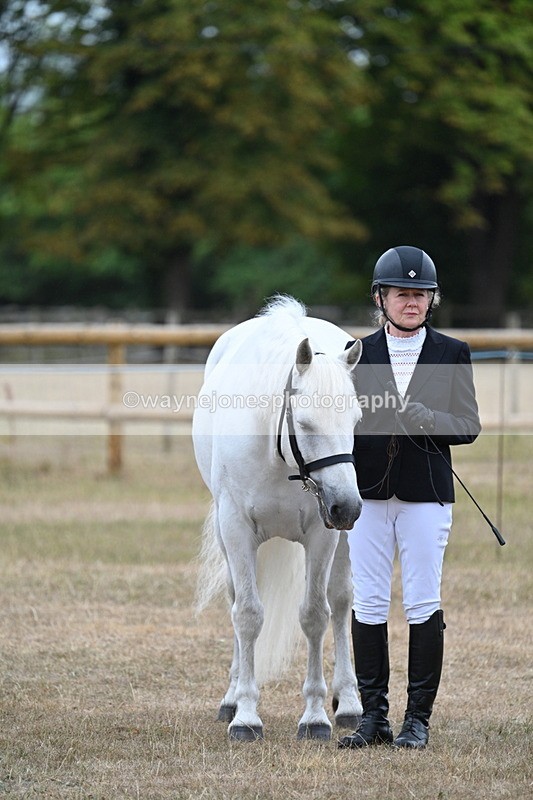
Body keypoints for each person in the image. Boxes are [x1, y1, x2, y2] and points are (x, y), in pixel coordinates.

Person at [338, 245, 480, 750]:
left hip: (426, 495)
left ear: (431, 300)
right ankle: (373, 718)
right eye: (403, 294)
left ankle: (417, 719)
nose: (412, 302)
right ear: (382, 298)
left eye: (421, 295)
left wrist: (430, 420)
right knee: (369, 601)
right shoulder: (356, 354)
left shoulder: (451, 352)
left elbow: (468, 427)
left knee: (422, 602)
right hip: (369, 495)